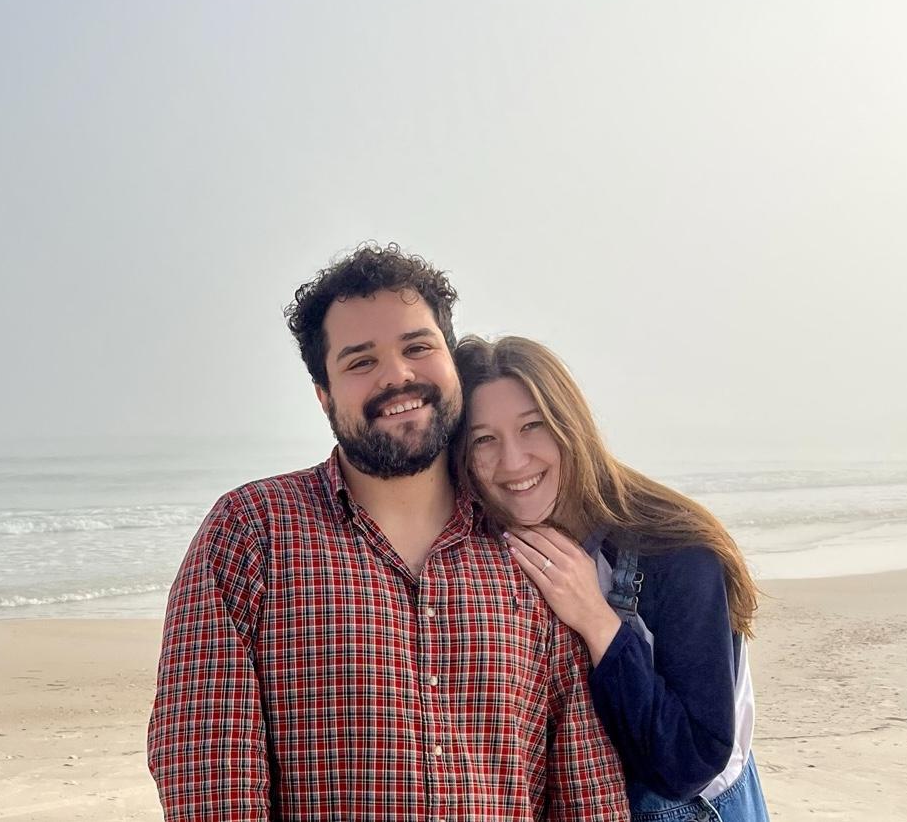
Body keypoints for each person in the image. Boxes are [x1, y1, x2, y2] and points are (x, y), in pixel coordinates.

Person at [146, 243, 628, 822]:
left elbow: (585, 786)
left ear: (451, 361)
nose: (397, 375)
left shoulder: (529, 551)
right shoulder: (252, 534)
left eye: (417, 347)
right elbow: (206, 774)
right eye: (360, 362)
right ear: (324, 396)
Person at [452, 335, 771, 822]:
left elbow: (691, 760)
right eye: (484, 439)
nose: (512, 461)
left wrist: (598, 621)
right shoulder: (484, 549)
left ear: (571, 426)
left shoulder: (677, 551)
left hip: (696, 808)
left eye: (532, 426)